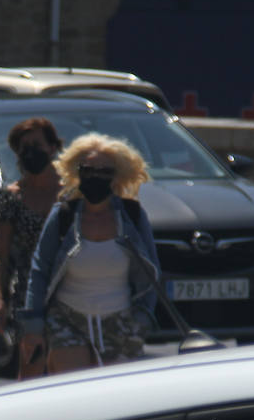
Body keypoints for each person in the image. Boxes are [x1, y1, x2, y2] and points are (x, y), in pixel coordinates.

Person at [19, 133, 161, 375]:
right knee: (72, 395)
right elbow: (40, 269)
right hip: (67, 318)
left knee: (117, 400)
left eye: (104, 171)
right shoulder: (63, 216)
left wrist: (142, 320)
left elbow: (152, 272)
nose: (95, 177)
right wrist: (33, 325)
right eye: (88, 170)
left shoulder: (133, 216)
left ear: (115, 176)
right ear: (77, 172)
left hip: (121, 322)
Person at [0, 117, 62, 378]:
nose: (31, 152)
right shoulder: (13, 196)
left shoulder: (71, 193)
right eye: (24, 147)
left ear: (53, 148)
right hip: (29, 293)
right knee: (31, 365)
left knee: (65, 368)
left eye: (37, 145)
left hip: (69, 289)